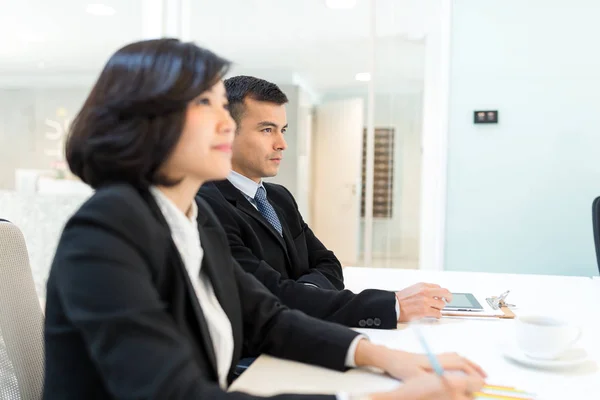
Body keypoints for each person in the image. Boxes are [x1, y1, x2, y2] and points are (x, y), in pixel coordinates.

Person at [43, 38, 484, 400]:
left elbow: (268, 318)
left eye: (224, 106)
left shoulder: (192, 218)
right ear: (144, 120)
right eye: (205, 103)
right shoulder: (103, 232)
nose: (226, 125)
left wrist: (389, 358)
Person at [198, 75, 452, 329]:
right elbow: (268, 296)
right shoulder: (207, 205)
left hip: (305, 332)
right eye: (267, 130)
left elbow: (328, 263)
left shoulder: (278, 197)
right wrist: (392, 305)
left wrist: (306, 294)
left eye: (282, 130)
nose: (282, 144)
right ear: (227, 132)